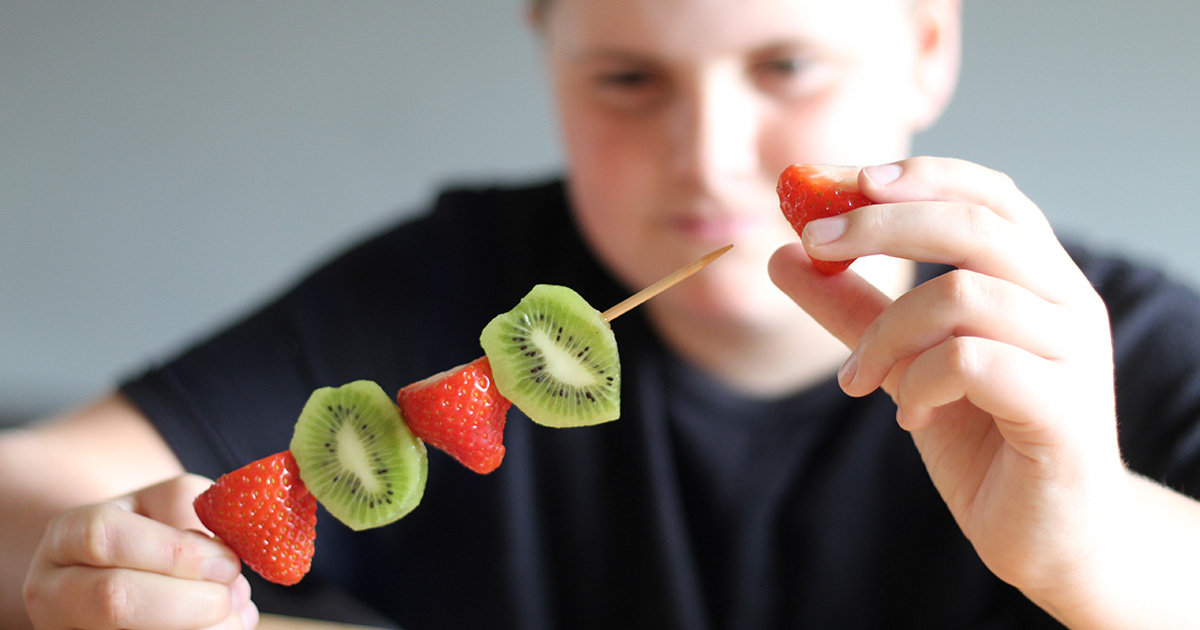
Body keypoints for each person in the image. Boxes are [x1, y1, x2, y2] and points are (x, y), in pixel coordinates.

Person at [4, 0, 1200, 627]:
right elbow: (28, 496)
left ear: (927, 46)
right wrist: (118, 574)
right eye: (628, 79)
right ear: (548, 58)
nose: (709, 157)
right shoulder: (447, 289)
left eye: (787, 67)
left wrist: (1100, 551)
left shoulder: (1114, 350)